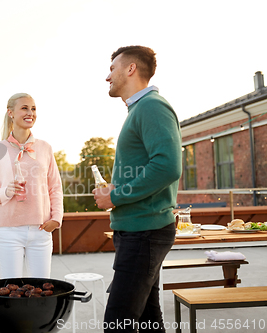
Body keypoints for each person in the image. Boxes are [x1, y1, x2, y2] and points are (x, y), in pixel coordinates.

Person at [94, 46, 182, 332]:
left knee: (118, 323)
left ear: (130, 69)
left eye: (112, 69)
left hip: (144, 232)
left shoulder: (152, 107)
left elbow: (167, 166)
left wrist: (115, 196)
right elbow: (148, 167)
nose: (108, 77)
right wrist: (114, 191)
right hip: (139, 229)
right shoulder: (140, 109)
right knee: (147, 320)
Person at [0, 93, 63, 278]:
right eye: (24, 108)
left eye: (33, 108)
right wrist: (6, 191)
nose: (30, 113)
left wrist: (56, 218)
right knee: (12, 291)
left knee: (41, 290)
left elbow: (55, 187)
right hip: (8, 232)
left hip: (41, 231)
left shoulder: (45, 147)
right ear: (11, 113)